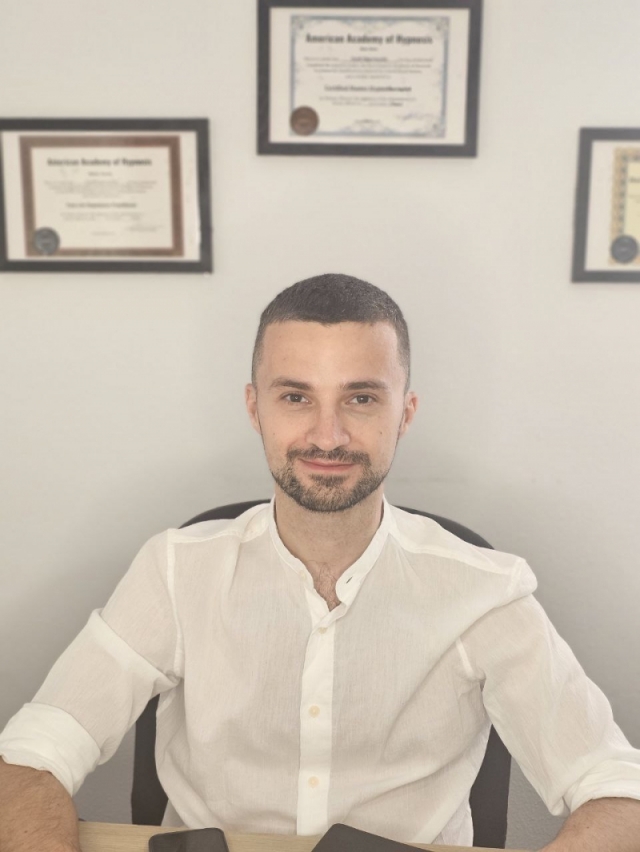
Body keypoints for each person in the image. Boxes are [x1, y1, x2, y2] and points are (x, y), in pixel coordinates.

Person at [1, 273, 639, 852]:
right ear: (255, 408)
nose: (327, 435)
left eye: (360, 399)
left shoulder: (484, 590)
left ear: (404, 413)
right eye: (296, 397)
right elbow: (33, 754)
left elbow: (618, 789)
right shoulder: (175, 570)